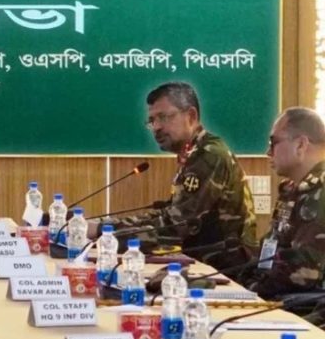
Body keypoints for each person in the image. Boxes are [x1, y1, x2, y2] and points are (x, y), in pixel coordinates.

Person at [100, 82, 257, 269]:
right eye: (152, 121)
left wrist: (105, 233)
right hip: (203, 266)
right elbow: (170, 214)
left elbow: (175, 226)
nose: (156, 127)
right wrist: (106, 226)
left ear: (191, 116)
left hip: (226, 272)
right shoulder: (193, 154)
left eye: (163, 117)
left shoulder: (209, 154)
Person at [239, 108, 325, 307]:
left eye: (273, 142)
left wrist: (251, 289)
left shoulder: (321, 193)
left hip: (310, 308)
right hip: (284, 297)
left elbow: (305, 270)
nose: (268, 152)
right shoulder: (292, 190)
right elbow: (271, 249)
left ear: (301, 145)